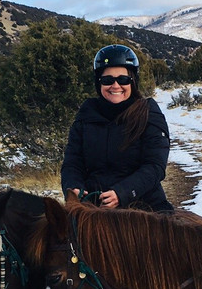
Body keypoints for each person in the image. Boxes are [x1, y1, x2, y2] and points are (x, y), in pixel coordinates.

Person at [61, 44, 173, 212]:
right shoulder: (87, 114)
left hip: (144, 208)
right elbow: (72, 162)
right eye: (107, 80)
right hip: (93, 207)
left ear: (133, 81)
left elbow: (155, 166)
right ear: (98, 83)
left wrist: (123, 193)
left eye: (123, 79)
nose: (115, 85)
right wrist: (73, 188)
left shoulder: (147, 112)